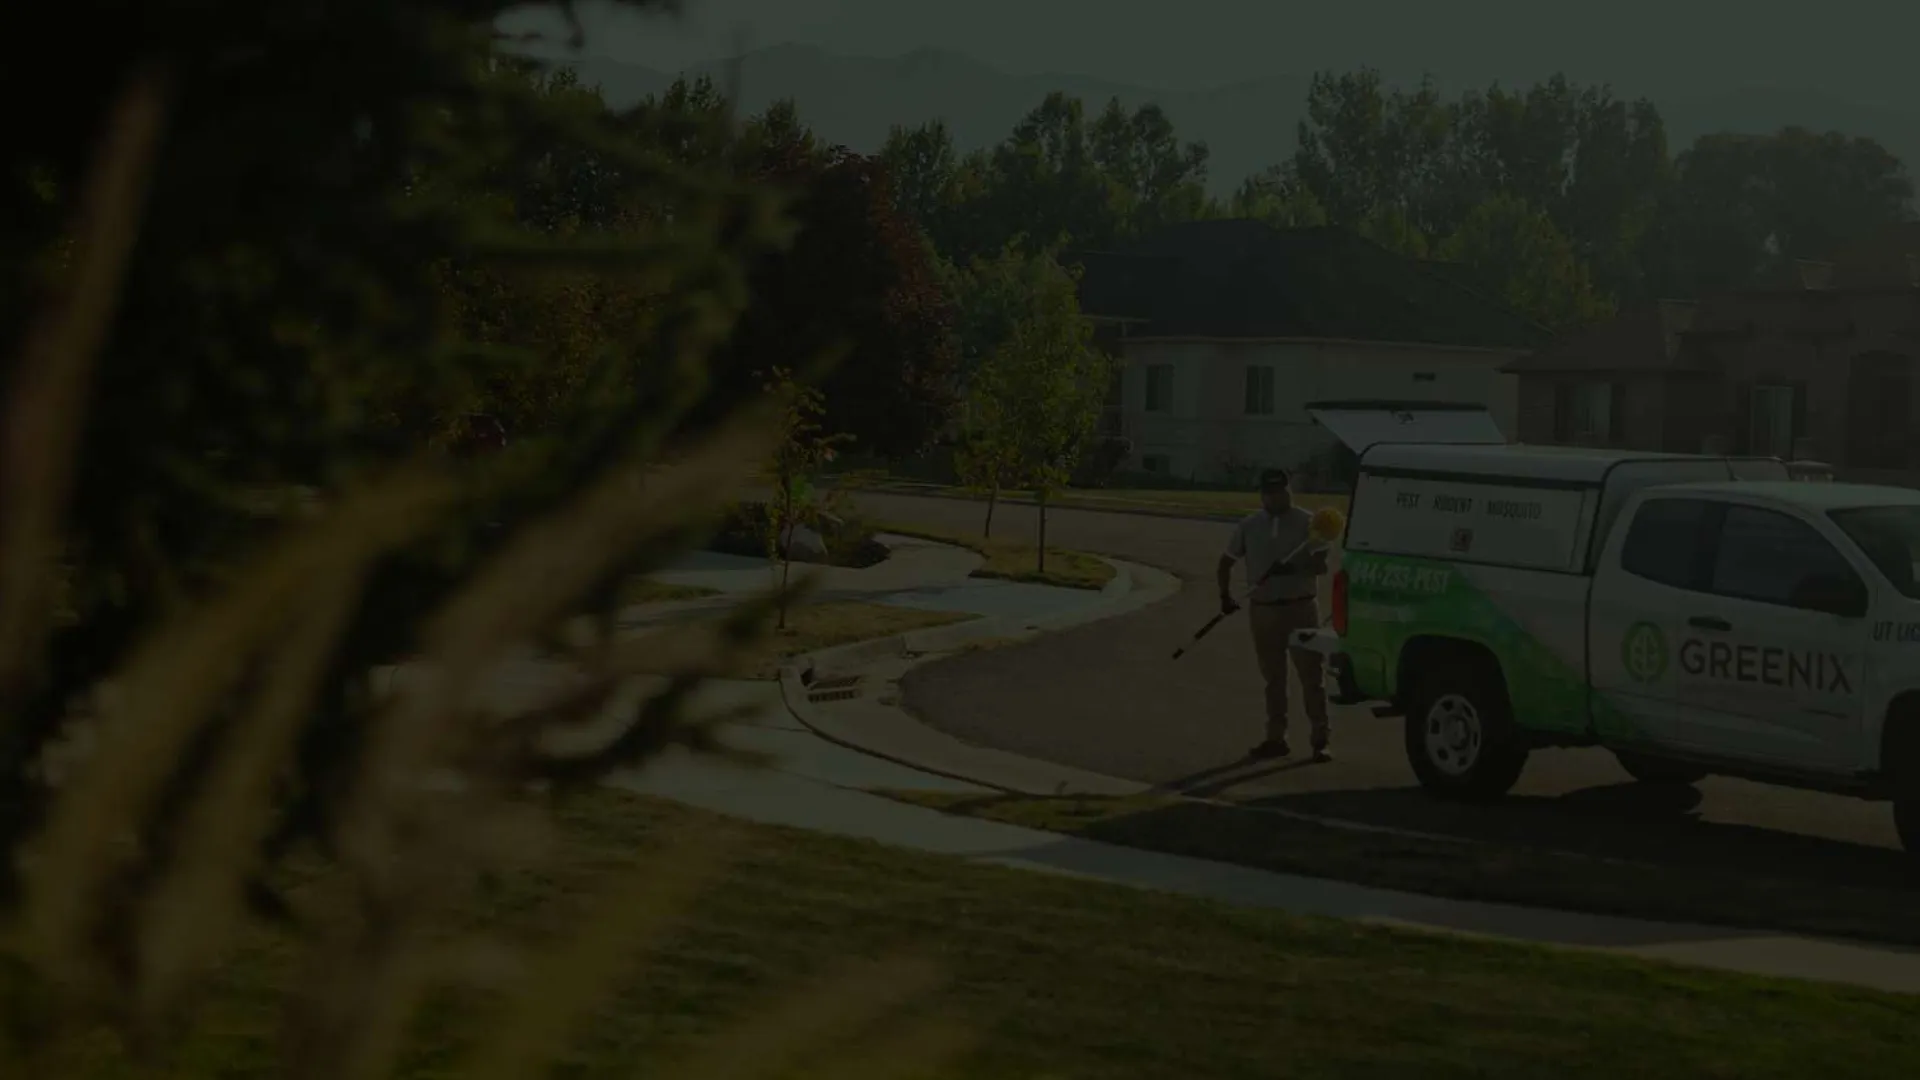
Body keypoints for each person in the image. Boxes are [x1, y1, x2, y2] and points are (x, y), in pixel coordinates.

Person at [1216, 467, 1331, 762]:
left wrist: (1292, 568)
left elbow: (1320, 565)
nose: (1275, 497)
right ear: (1262, 494)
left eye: (1280, 491)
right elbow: (1226, 562)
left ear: (1288, 490)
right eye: (1269, 492)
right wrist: (1225, 597)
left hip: (1302, 608)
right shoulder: (1249, 525)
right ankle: (1276, 738)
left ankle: (1320, 739)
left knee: (1311, 677)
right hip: (1263, 611)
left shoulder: (1309, 523)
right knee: (1273, 679)